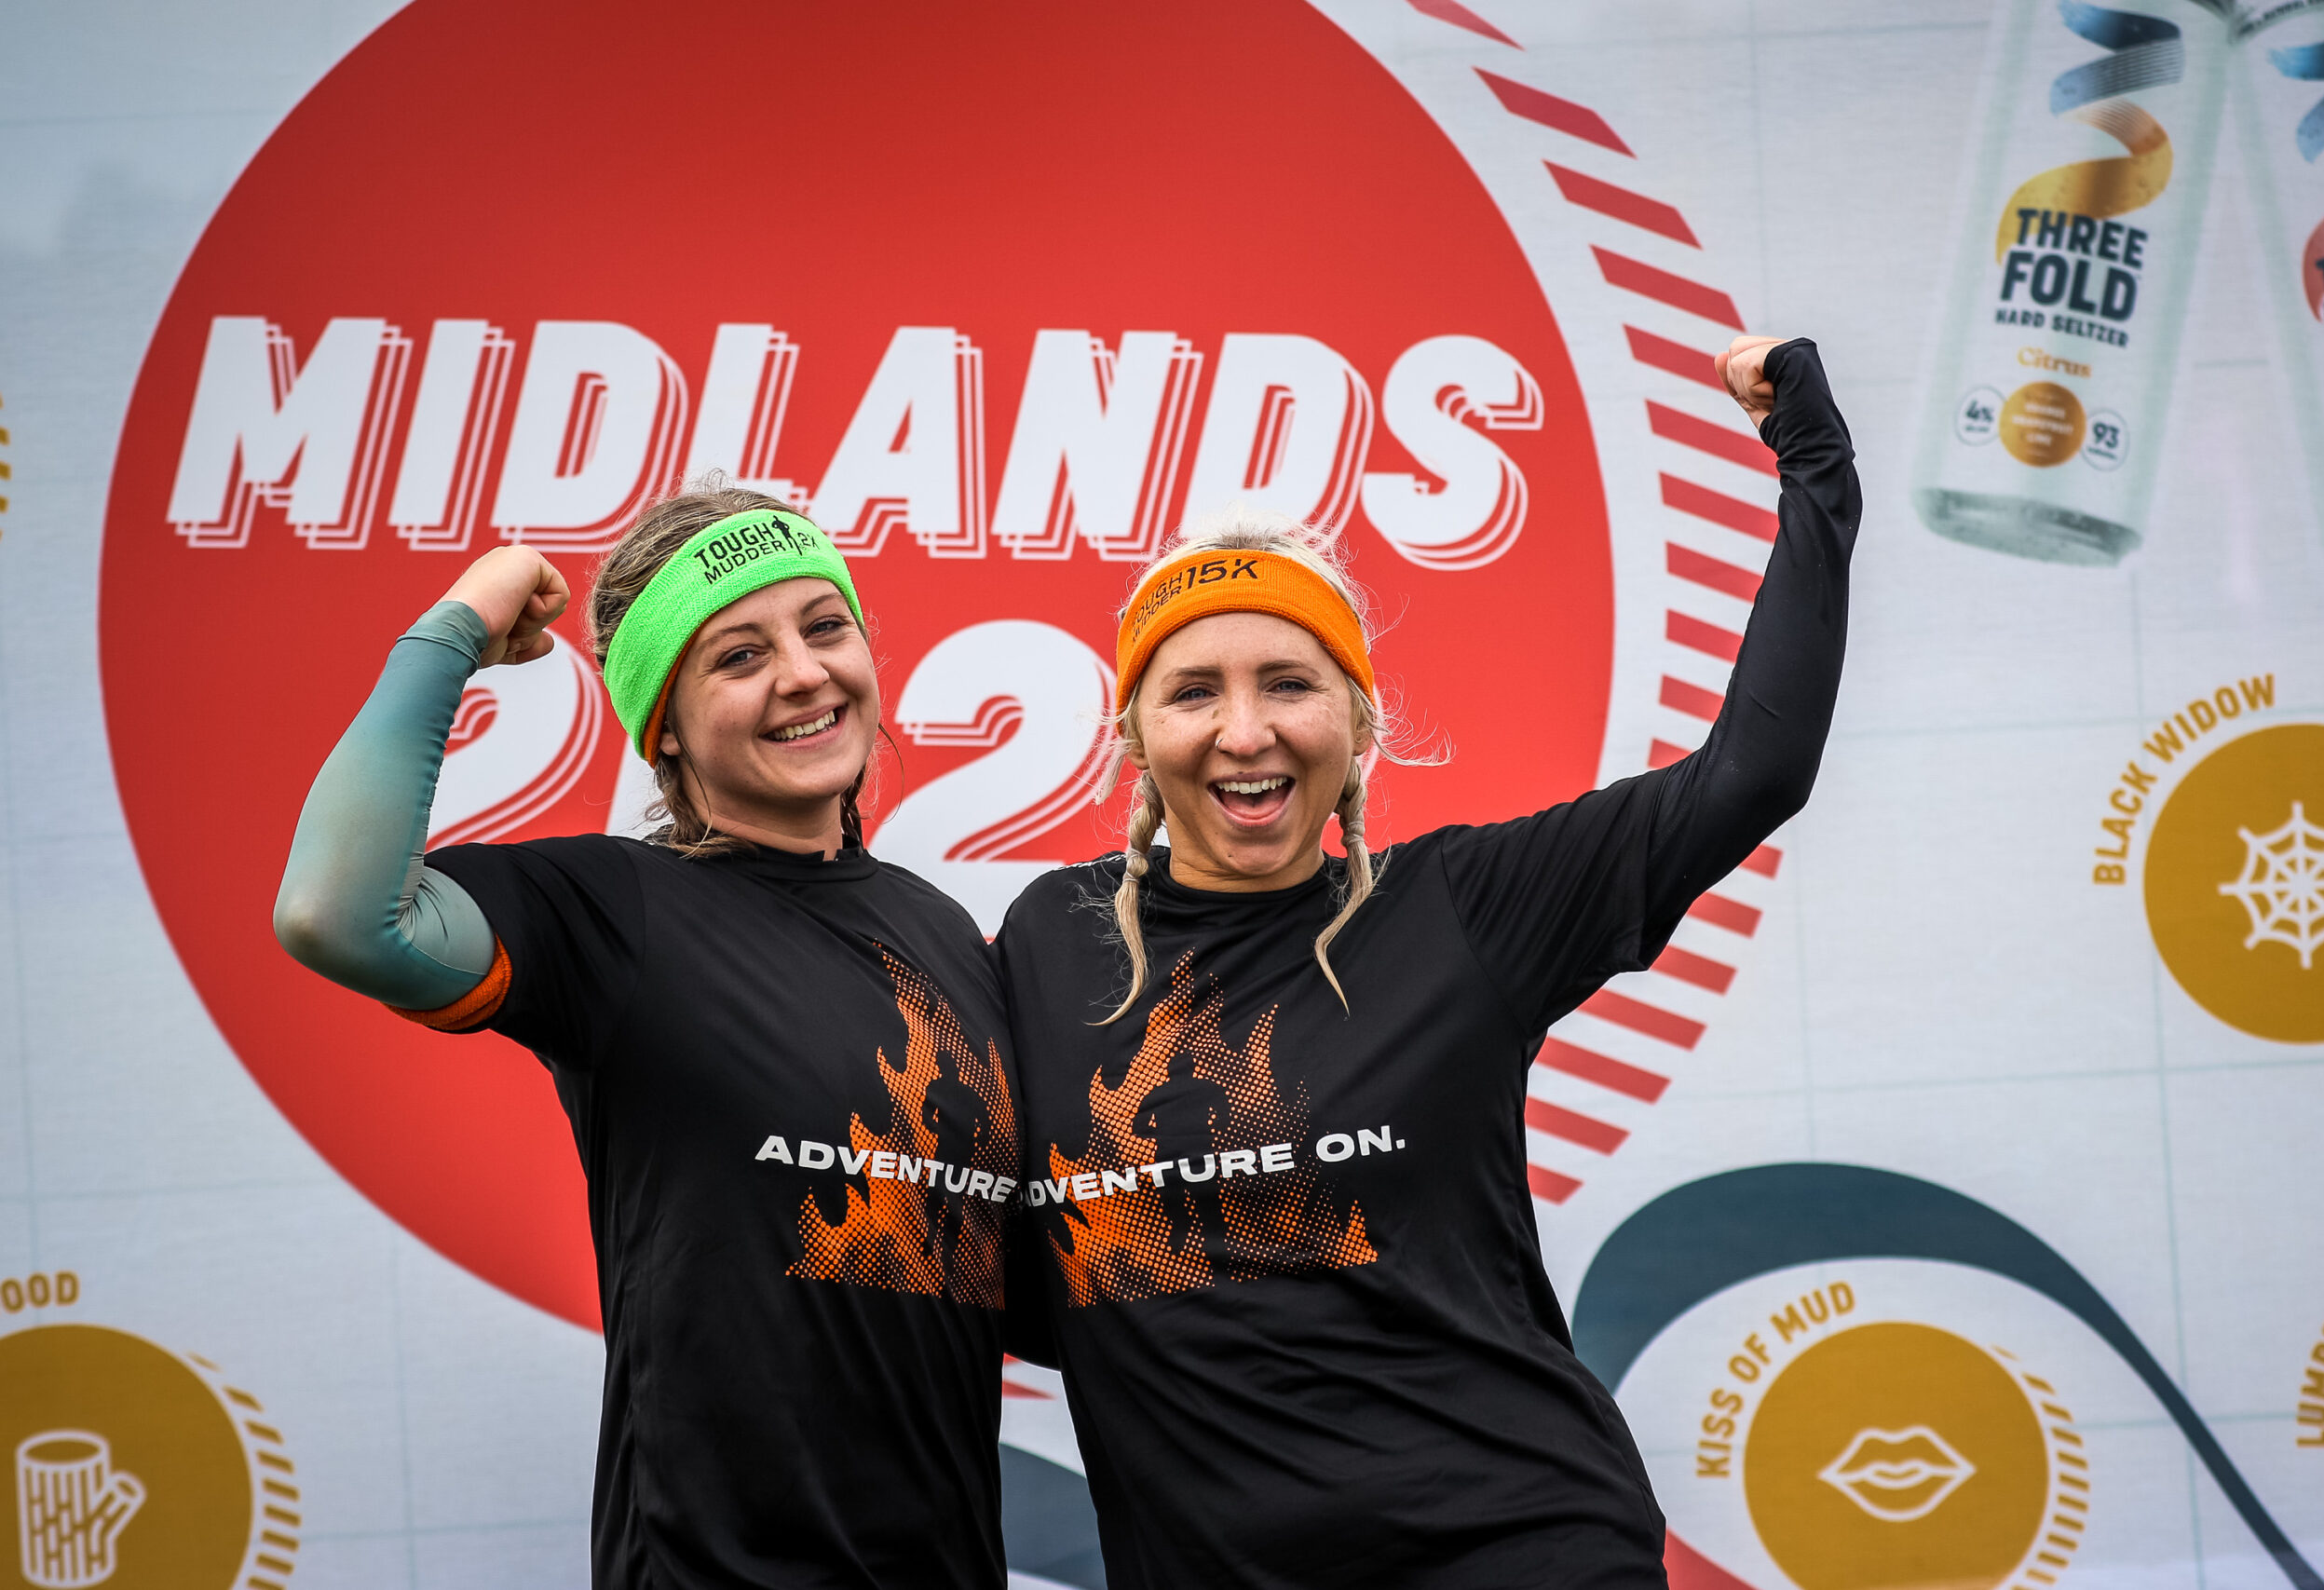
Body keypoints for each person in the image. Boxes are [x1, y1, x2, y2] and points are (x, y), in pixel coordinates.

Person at [997, 337, 1857, 1587]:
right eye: (1194, 691)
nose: (1247, 730)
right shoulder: (1046, 947)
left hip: (1518, 1547)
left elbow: (1751, 772)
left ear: (1357, 722)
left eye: (1290, 681)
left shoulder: (1464, 906)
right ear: (1135, 731)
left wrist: (1817, 473)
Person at [273, 488, 1023, 1589]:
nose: (804, 672)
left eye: (826, 626)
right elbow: (337, 915)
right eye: (737, 656)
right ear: (661, 725)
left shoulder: (944, 933)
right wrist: (456, 628)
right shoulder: (611, 910)